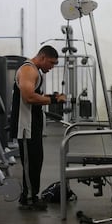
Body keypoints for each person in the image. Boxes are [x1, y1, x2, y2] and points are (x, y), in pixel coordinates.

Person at [10, 45, 66, 210]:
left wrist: (52, 97)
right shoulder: (28, 70)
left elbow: (36, 95)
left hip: (32, 126)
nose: (52, 66)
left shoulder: (35, 71)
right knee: (30, 164)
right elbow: (28, 97)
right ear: (42, 58)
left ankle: (32, 195)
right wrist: (54, 100)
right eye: (51, 62)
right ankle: (27, 199)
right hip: (25, 126)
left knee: (36, 161)